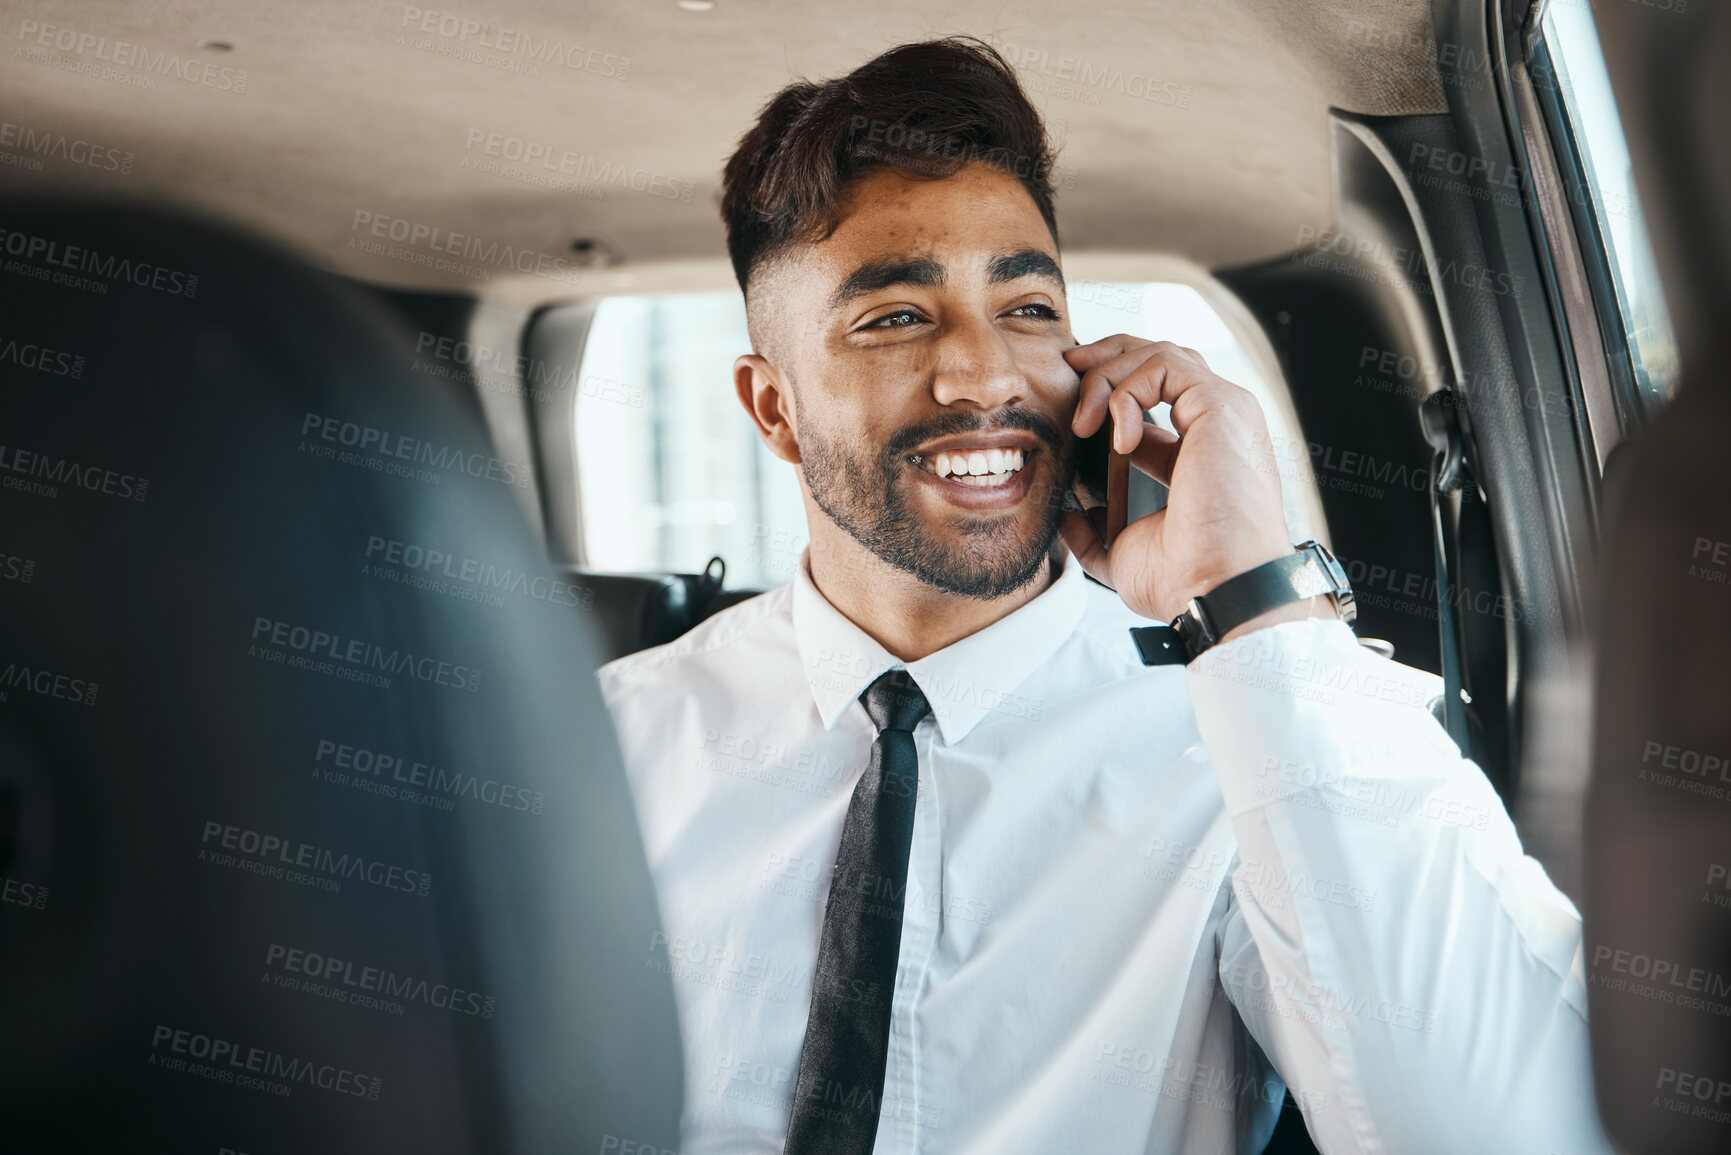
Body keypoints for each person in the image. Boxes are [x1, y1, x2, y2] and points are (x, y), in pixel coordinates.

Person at [598, 36, 1611, 1155]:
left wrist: (1253, 600)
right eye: (894, 318)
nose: (986, 375)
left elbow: (1499, 1128)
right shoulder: (598, 745)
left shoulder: (1260, 747)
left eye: (1028, 308)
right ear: (774, 411)